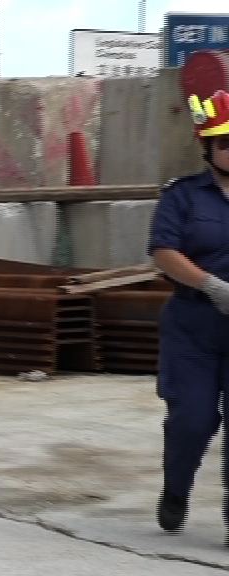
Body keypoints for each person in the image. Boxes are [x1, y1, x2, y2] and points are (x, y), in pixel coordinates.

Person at [149, 88, 229, 539]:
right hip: (194, 325)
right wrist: (212, 286)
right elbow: (163, 251)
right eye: (226, 142)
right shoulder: (182, 196)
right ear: (209, 147)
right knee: (193, 418)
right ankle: (176, 490)